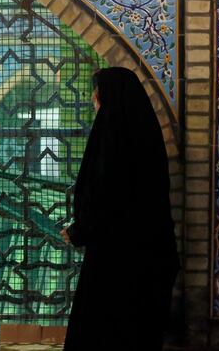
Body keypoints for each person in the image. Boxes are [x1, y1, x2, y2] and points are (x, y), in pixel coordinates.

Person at [59, 67, 180, 350]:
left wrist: (79, 230)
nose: (92, 98)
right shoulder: (145, 136)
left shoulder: (113, 137)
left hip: (115, 259)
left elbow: (108, 196)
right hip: (148, 258)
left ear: (108, 95)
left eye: (96, 91)